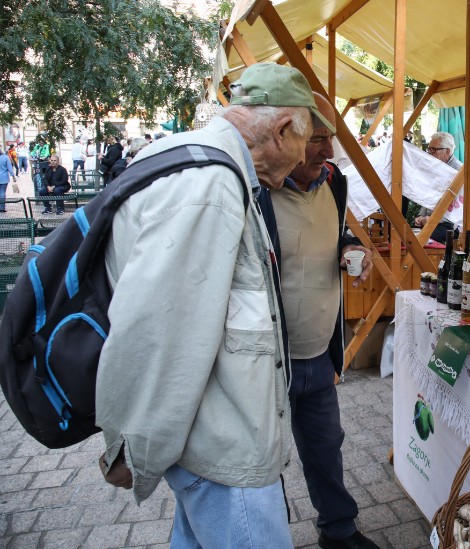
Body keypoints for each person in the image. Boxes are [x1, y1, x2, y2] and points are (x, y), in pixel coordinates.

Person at [94, 62, 333, 549]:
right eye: (307, 144)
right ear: (284, 130)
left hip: (212, 440)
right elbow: (160, 329)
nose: (310, 160)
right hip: (224, 449)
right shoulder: (211, 186)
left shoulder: (202, 160)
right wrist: (137, 449)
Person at [269, 93, 377, 549]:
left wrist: (352, 245)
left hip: (318, 351)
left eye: (330, 138)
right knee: (263, 461)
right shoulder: (252, 191)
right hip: (267, 362)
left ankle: (338, 531)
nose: (328, 151)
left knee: (326, 448)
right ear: (283, 139)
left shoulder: (333, 181)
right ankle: (267, 535)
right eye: (317, 139)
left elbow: (332, 233)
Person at [413, 130, 463, 243]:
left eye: (433, 150)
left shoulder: (458, 172)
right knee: (405, 232)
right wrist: (421, 215)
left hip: (450, 224)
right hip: (433, 221)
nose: (429, 153)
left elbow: (456, 209)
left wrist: (431, 220)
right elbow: (428, 194)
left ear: (447, 151)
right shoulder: (436, 166)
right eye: (429, 149)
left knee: (418, 239)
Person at [0, 147, 17, 212]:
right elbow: (10, 168)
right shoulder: (5, 157)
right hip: (4, 177)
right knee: (2, 192)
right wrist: (13, 176)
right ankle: (2, 207)